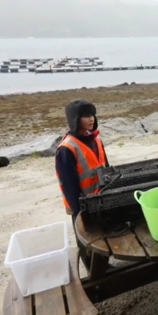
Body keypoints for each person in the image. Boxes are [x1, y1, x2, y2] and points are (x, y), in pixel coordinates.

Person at [55, 99, 109, 267]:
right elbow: (68, 185)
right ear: (75, 119)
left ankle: (104, 265)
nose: (91, 119)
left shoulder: (96, 140)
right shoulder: (67, 148)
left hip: (99, 198)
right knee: (86, 239)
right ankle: (93, 270)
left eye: (92, 114)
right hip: (81, 203)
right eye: (85, 116)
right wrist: (79, 211)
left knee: (101, 235)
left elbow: (106, 167)